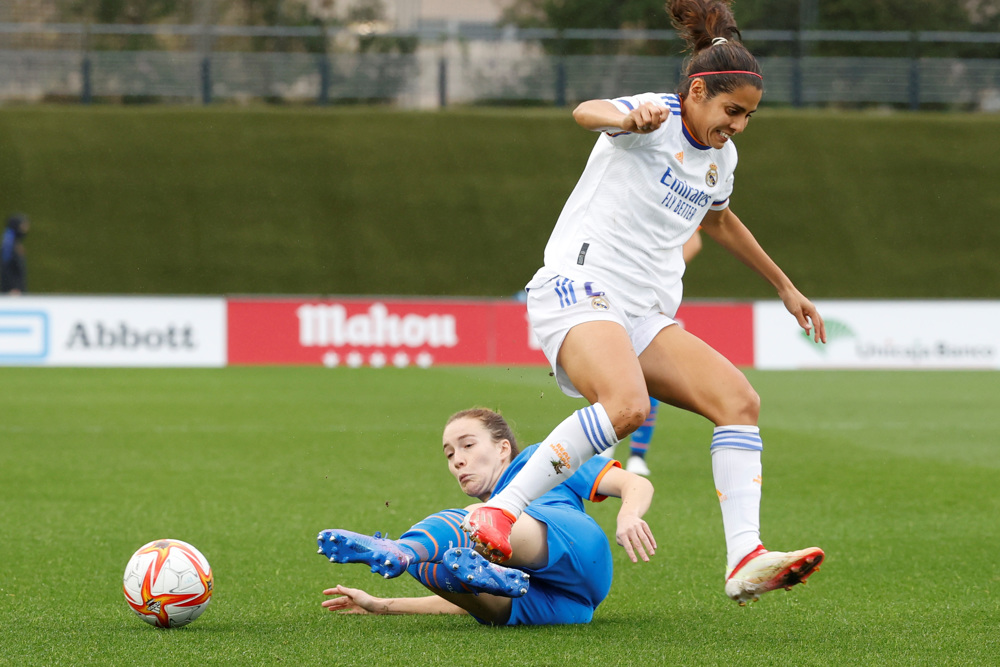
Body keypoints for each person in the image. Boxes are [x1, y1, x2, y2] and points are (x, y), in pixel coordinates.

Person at [461, 0, 826, 606]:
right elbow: (586, 111)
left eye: (748, 117)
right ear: (699, 92)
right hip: (579, 285)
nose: (737, 125)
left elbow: (721, 221)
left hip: (643, 312)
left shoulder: (721, 158)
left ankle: (745, 558)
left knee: (740, 402)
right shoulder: (655, 114)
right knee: (626, 407)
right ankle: (500, 511)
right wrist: (628, 120)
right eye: (732, 111)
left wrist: (785, 286)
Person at [317, 407, 656, 626]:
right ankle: (419, 556)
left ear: (502, 448)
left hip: (579, 548)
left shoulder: (540, 458)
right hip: (566, 606)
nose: (457, 461)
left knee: (474, 522)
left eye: (467, 445)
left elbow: (634, 483)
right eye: (450, 454)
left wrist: (628, 515)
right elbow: (462, 605)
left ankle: (400, 549)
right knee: (431, 563)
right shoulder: (473, 528)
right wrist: (380, 605)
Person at [609, 230, 704, 476]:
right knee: (611, 373)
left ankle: (636, 455)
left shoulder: (680, 198)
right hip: (615, 293)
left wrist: (657, 273)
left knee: (646, 377)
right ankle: (607, 444)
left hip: (647, 301)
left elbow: (694, 241)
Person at [0, 214, 29, 295]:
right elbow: (5, 267)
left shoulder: (12, 241)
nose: (25, 229)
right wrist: (13, 287)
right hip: (13, 291)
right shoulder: (8, 244)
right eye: (23, 226)